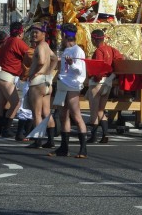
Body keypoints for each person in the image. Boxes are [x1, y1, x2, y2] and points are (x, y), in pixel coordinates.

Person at [49, 23, 87, 158]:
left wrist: (72, 64)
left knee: (76, 115)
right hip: (62, 83)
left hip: (72, 85)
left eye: (62, 35)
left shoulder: (78, 50)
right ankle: (64, 148)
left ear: (65, 36)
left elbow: (80, 70)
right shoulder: (66, 50)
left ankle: (83, 149)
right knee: (63, 115)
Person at [87, 29, 123, 144]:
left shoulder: (98, 51)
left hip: (98, 82)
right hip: (108, 82)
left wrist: (93, 77)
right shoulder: (112, 50)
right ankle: (105, 134)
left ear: (93, 39)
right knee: (101, 110)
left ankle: (93, 136)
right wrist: (112, 77)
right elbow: (120, 61)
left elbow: (98, 68)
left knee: (93, 110)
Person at [0, 22, 29, 137]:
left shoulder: (7, 41)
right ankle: (6, 129)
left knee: (0, 103)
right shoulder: (18, 42)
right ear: (20, 32)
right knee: (16, 103)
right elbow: (30, 54)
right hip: (7, 75)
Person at [27, 22, 58, 149]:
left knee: (37, 113)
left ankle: (38, 141)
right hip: (46, 82)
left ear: (43, 34)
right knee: (46, 113)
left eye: (36, 32)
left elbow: (41, 60)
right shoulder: (46, 45)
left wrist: (36, 72)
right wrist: (49, 72)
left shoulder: (40, 47)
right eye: (32, 32)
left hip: (38, 82)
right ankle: (50, 140)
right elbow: (55, 59)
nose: (34, 34)